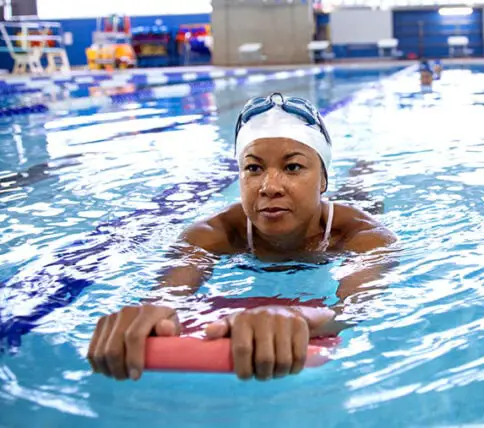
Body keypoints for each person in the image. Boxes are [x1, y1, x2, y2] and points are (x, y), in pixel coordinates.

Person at [86, 92, 398, 382]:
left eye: (292, 167)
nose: (269, 186)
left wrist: (316, 319)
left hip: (340, 215)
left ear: (323, 179)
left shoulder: (364, 235)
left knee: (362, 194)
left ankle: (364, 170)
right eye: (253, 168)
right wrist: (153, 308)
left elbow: (357, 304)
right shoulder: (213, 234)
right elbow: (172, 287)